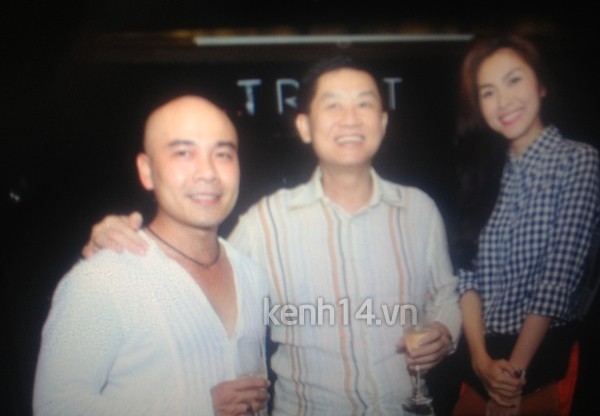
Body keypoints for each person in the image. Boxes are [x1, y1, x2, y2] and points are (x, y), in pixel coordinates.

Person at [82, 56, 462, 414]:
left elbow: (445, 294)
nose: (350, 119)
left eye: (364, 104)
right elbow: (196, 273)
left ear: (382, 122)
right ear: (304, 126)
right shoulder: (266, 221)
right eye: (333, 105)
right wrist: (123, 245)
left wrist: (445, 330)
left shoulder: (419, 210)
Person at [33, 95, 270, 415]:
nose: (208, 172)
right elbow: (55, 407)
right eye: (184, 153)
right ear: (147, 171)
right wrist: (196, 407)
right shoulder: (102, 280)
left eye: (223, 154)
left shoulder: (252, 274)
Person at [428, 34, 600, 415]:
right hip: (480, 363)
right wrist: (480, 361)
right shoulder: (484, 174)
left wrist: (511, 379)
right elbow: (467, 275)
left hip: (541, 363)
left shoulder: (578, 161)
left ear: (541, 85)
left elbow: (557, 281)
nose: (503, 101)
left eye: (514, 80)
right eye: (488, 92)